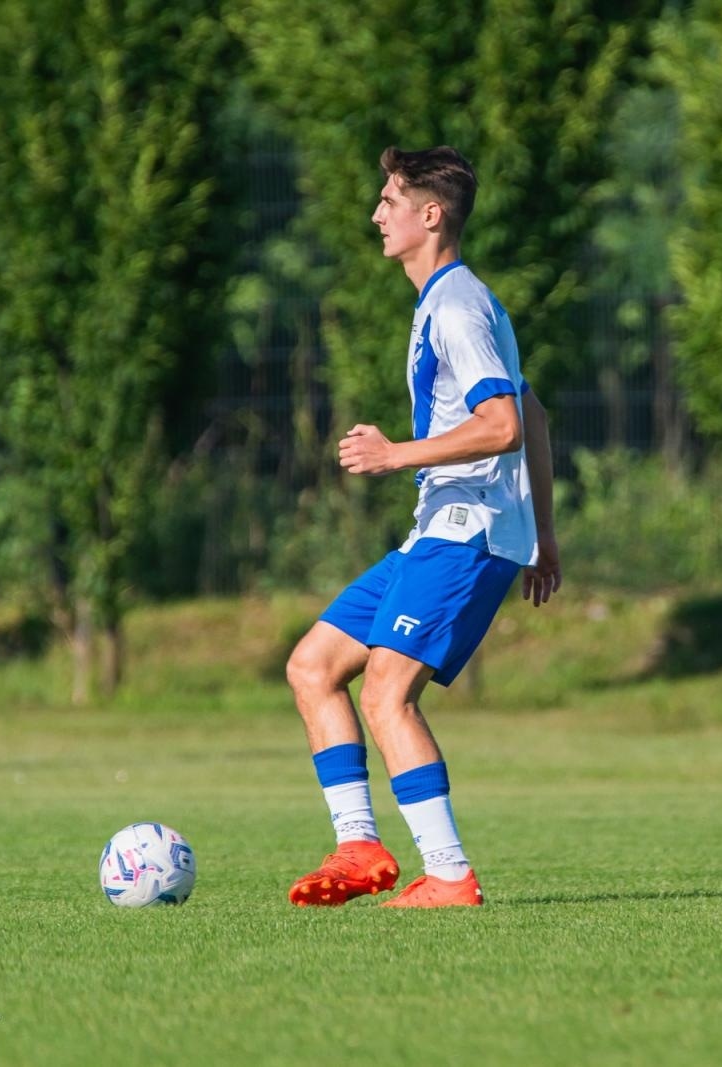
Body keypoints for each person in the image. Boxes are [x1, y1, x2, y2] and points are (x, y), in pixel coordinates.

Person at [282, 145, 562, 909]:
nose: (377, 213)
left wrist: (396, 453)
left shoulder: (458, 304)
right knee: (313, 665)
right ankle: (360, 847)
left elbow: (501, 423)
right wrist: (541, 533)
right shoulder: (447, 300)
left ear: (429, 215)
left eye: (390, 200)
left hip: (465, 532)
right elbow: (534, 415)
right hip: (445, 527)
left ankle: (447, 874)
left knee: (386, 693)